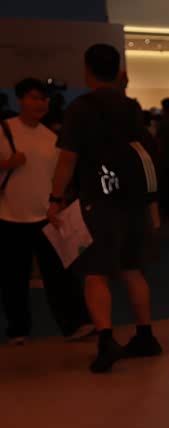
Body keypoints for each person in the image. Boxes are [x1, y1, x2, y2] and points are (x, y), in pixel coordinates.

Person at [48, 44, 161, 373]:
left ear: (87, 70)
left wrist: (55, 198)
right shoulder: (130, 106)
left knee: (95, 273)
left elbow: (67, 159)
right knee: (133, 269)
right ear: (118, 71)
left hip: (100, 200)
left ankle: (106, 340)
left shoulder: (81, 108)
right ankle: (145, 335)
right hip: (134, 201)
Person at [0, 78, 92, 345]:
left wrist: (59, 201)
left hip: (47, 215)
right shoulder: (5, 130)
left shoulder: (51, 137)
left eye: (43, 99)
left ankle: (74, 325)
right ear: (20, 100)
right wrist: (8, 164)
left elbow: (59, 175)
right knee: (14, 277)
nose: (40, 104)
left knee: (59, 274)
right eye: (33, 98)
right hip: (10, 216)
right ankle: (18, 329)